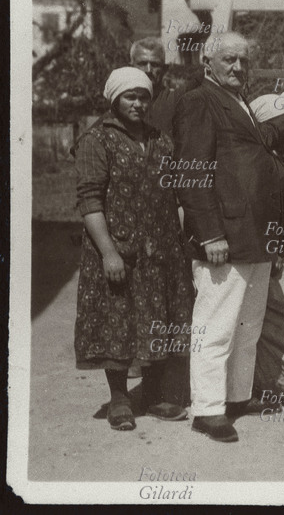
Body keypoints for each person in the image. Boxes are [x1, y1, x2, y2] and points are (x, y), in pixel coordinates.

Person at [173, 32, 284, 443]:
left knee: (248, 325)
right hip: (225, 237)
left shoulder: (236, 102)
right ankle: (207, 409)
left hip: (255, 236)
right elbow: (191, 173)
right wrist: (209, 234)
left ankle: (236, 397)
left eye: (243, 60)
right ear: (208, 63)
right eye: (229, 60)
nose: (238, 67)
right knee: (216, 325)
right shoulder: (199, 101)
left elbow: (262, 140)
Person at [73, 67, 194, 431]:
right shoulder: (97, 139)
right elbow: (90, 201)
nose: (138, 104)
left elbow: (175, 196)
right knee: (117, 320)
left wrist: (180, 243)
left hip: (160, 249)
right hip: (118, 248)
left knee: (158, 317)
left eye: (144, 97)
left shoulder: (161, 140)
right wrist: (109, 252)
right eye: (130, 96)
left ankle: (153, 395)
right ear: (114, 99)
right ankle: (119, 399)